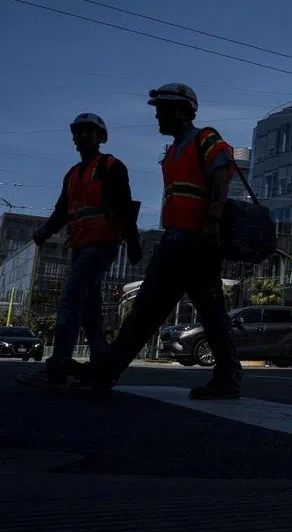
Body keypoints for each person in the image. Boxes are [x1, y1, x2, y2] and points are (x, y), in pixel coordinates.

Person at [69, 83, 242, 399]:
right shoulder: (173, 150)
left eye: (162, 109)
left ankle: (228, 377)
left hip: (198, 242)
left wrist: (213, 222)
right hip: (173, 242)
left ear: (180, 109)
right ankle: (105, 371)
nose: (158, 117)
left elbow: (221, 177)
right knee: (145, 311)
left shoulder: (205, 138)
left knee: (210, 309)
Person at [18, 114, 141, 389]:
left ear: (101, 137)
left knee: (72, 298)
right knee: (89, 308)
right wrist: (44, 232)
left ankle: (58, 365)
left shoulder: (111, 166)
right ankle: (101, 364)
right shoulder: (72, 175)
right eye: (78, 132)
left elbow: (124, 205)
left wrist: (133, 242)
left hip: (102, 243)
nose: (81, 137)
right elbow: (62, 211)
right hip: (80, 245)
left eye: (88, 132)